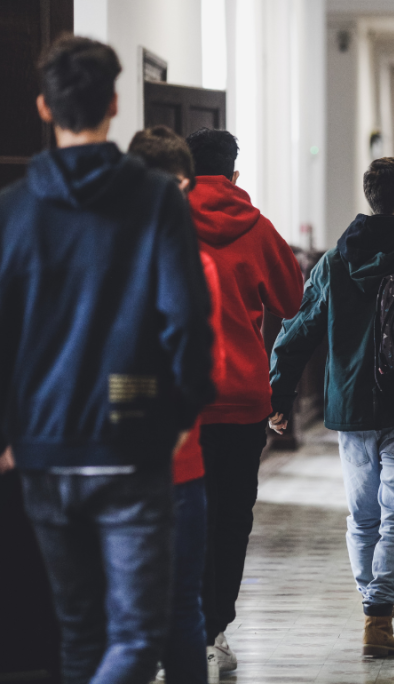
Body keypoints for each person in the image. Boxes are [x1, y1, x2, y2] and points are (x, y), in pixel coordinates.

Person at [0, 36, 216, 684]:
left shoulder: (12, 209)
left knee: (78, 634)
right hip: (130, 437)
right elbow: (188, 319)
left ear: (43, 106)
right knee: (136, 633)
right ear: (117, 103)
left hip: (41, 444)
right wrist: (178, 411)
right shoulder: (155, 200)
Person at [268, 157, 394, 656]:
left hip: (353, 407)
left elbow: (298, 330)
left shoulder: (334, 262)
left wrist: (279, 392)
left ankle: (370, 605)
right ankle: (380, 616)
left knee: (362, 516)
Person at [186, 128, 304, 674]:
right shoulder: (257, 228)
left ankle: (179, 630)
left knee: (180, 516)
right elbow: (291, 298)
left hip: (178, 401)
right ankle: (214, 633)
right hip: (240, 397)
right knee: (231, 517)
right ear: (235, 175)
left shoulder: (164, 220)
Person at [129, 125, 227, 684]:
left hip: (105, 456)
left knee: (117, 616)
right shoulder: (193, 265)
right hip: (174, 458)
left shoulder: (91, 253)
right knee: (180, 610)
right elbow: (201, 373)